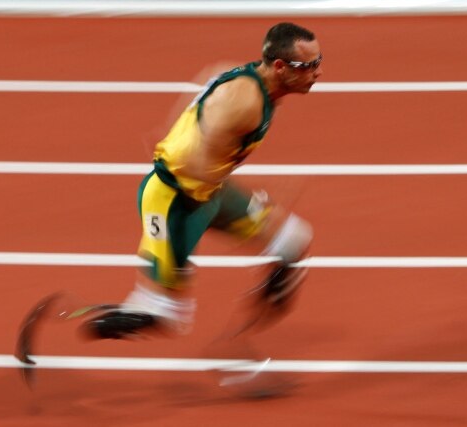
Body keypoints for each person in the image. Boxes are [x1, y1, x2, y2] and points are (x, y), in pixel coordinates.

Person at [81, 22, 322, 340]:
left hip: (210, 192)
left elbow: (208, 79)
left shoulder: (249, 79)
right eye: (308, 66)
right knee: (166, 312)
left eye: (318, 62)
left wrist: (169, 131)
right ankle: (134, 313)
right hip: (174, 201)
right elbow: (195, 166)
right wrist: (269, 183)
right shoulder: (245, 104)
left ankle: (241, 337)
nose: (317, 72)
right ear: (279, 66)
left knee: (294, 241)